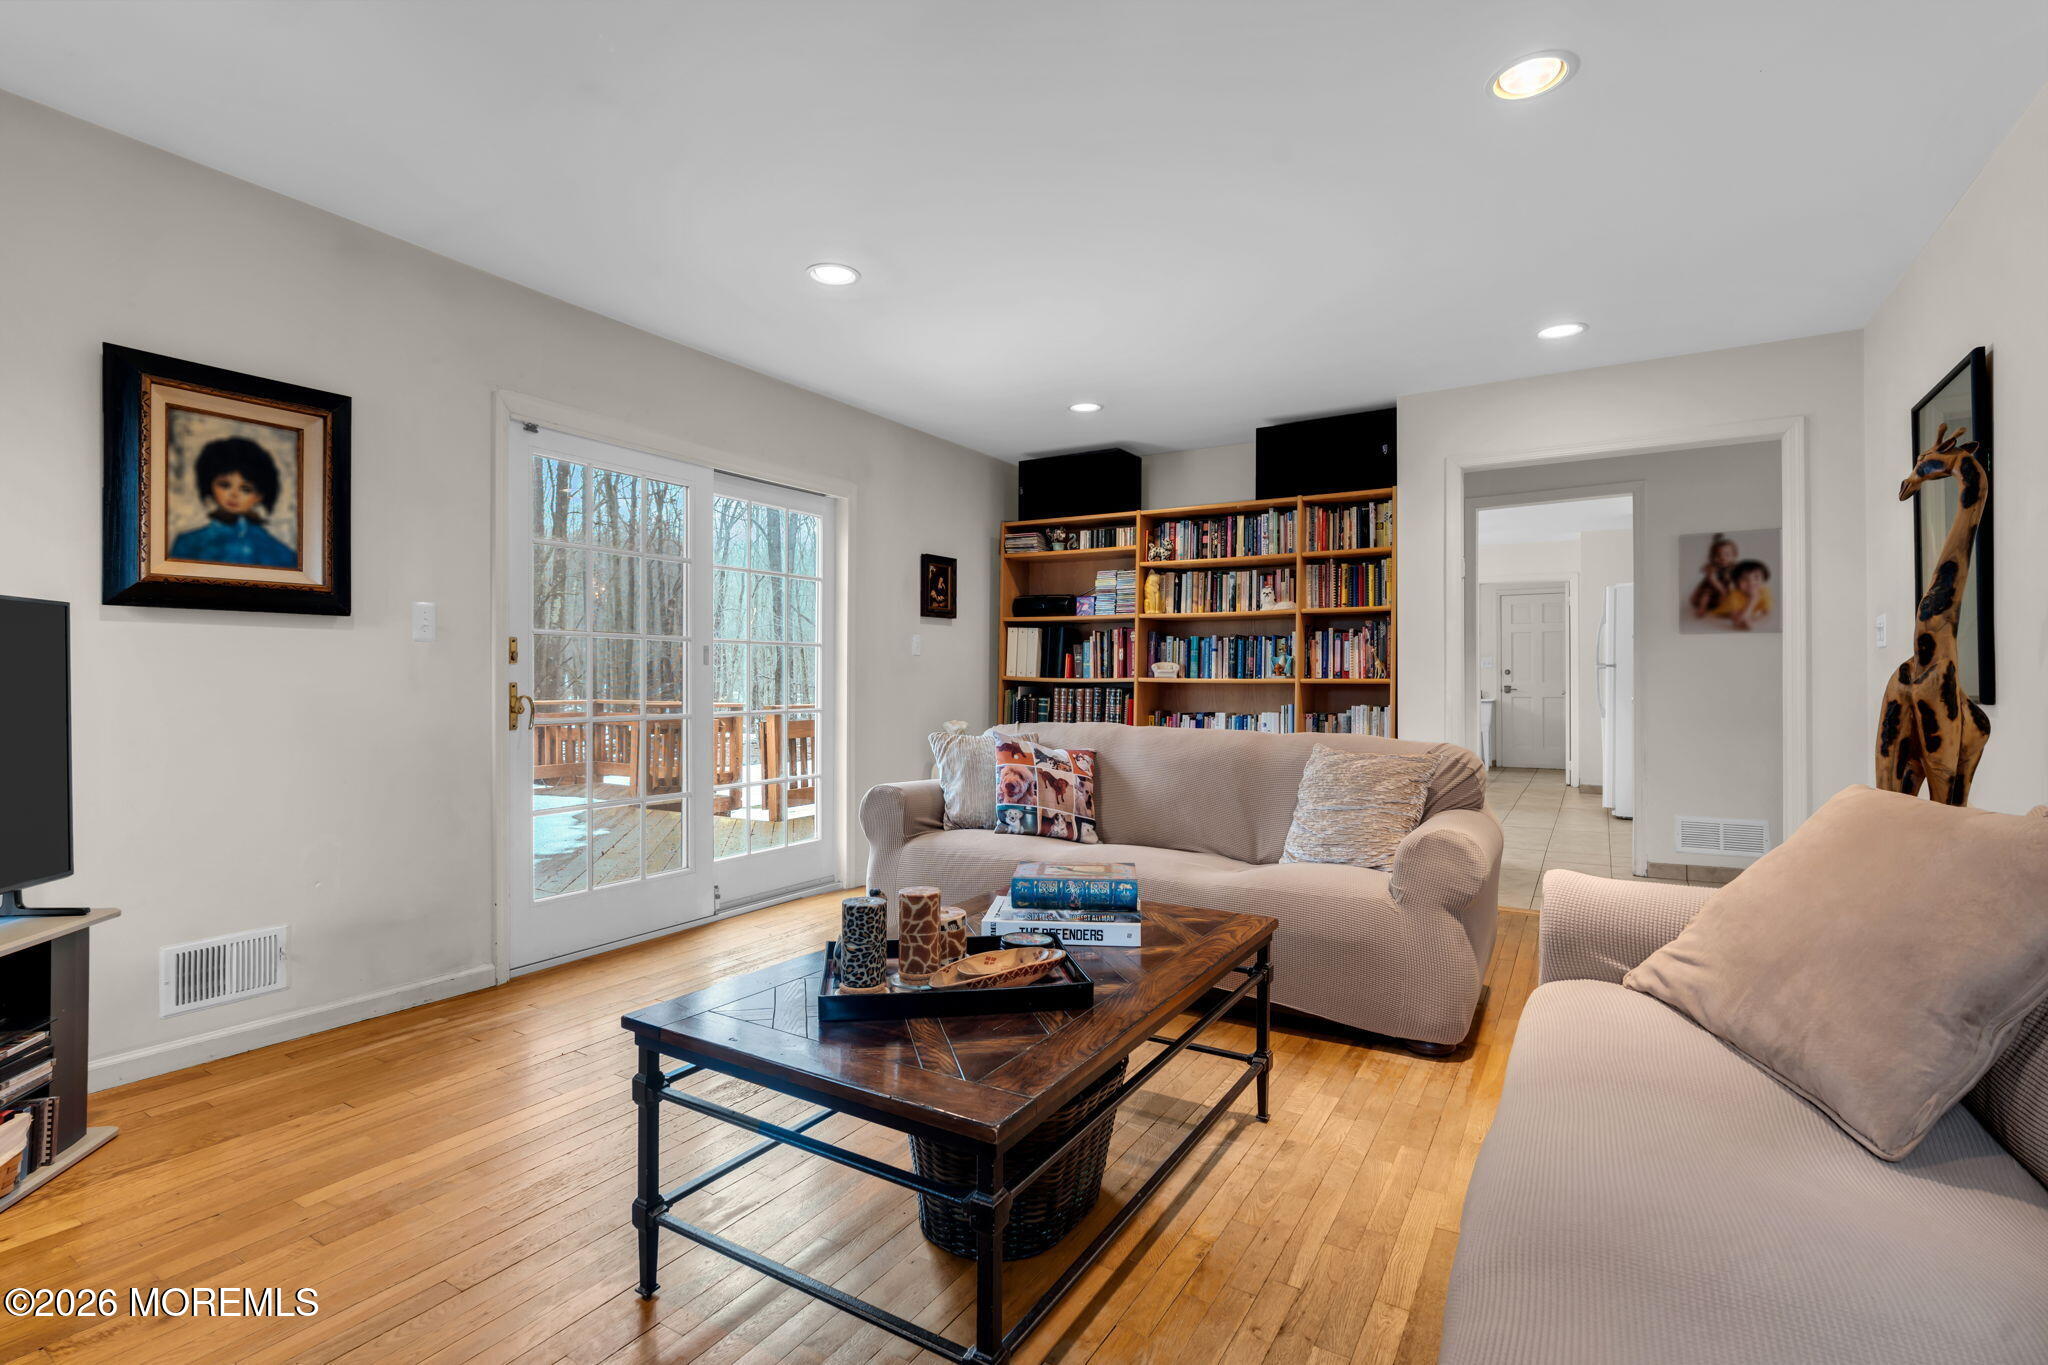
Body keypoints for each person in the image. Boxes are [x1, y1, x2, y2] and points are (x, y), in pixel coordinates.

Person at [169, 437, 297, 568]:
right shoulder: (188, 543)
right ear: (210, 485)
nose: (234, 495)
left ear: (259, 496)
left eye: (246, 489)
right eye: (225, 485)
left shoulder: (279, 552)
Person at [1711, 559, 1774, 630]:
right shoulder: (1734, 595)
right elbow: (1737, 620)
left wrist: (1753, 621)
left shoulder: (1765, 592)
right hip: (1723, 612)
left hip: (1742, 612)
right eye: (1744, 578)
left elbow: (1767, 613)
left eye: (1756, 577)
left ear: (1763, 579)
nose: (1751, 582)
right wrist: (1752, 600)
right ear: (1737, 583)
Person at [1687, 533, 1739, 618]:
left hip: (1727, 587)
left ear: (1734, 555)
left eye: (1727, 555)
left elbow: (1735, 579)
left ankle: (1728, 609)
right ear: (1712, 556)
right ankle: (1701, 609)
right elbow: (1712, 579)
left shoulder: (1734, 566)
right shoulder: (1712, 567)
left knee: (1732, 593)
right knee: (1706, 595)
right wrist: (1722, 591)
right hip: (1712, 586)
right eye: (1718, 555)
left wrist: (1730, 588)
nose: (1723, 558)